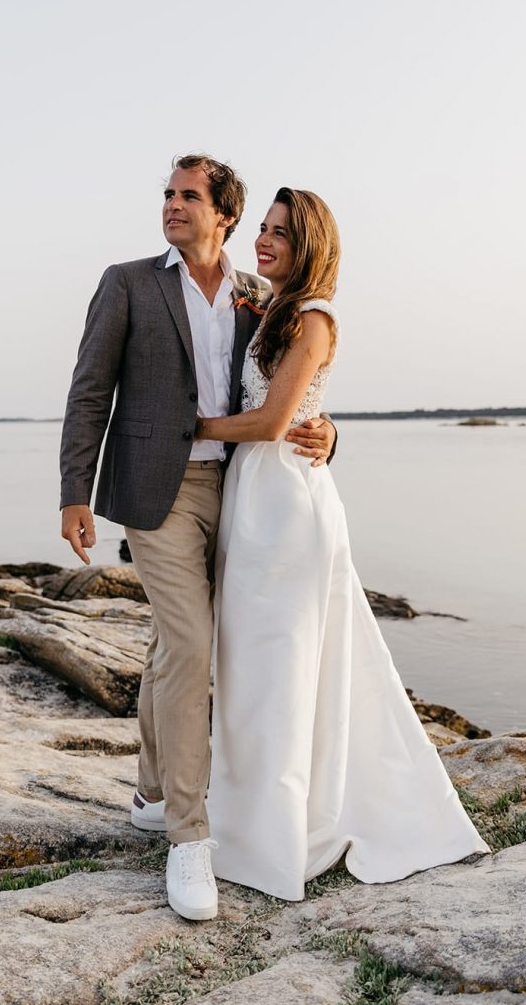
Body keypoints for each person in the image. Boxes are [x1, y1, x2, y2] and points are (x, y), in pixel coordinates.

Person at [59, 156, 336, 922]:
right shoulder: (127, 283)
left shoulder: (258, 298)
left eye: (190, 196)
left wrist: (328, 432)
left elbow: (290, 392)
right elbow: (89, 390)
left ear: (225, 217)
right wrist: (73, 494)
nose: (173, 206)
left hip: (243, 494)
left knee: (172, 643)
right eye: (168, 194)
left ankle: (150, 788)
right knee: (190, 642)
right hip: (156, 493)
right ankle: (188, 833)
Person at [195, 187, 490, 900]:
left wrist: (193, 427)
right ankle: (241, 821)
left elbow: (271, 421)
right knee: (249, 671)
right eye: (262, 230)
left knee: (284, 668)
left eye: (281, 235)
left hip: (290, 510)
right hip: (250, 501)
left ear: (311, 246)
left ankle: (280, 836)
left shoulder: (316, 320)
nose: (265, 242)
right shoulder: (263, 307)